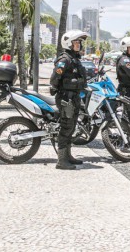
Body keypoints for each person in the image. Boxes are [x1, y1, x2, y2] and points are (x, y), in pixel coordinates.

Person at [50, 30, 90, 170]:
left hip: (74, 97)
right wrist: (55, 88)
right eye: (76, 42)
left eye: (79, 42)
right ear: (68, 43)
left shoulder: (74, 58)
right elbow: (55, 77)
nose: (78, 45)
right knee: (66, 127)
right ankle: (61, 160)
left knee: (71, 127)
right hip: (66, 98)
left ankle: (68, 156)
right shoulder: (65, 59)